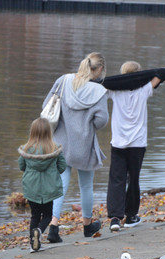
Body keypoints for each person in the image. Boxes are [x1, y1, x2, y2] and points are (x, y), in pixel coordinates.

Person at [43, 52, 109, 242]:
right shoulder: (99, 91)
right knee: (86, 186)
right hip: (84, 144)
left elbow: (47, 105)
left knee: (60, 184)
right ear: (100, 69)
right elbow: (102, 120)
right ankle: (87, 226)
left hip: (60, 142)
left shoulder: (63, 81)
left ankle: (53, 227)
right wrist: (87, 125)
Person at [106, 61, 164, 231]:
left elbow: (97, 86)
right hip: (138, 143)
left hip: (118, 142)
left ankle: (115, 218)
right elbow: (163, 73)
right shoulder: (144, 90)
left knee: (117, 180)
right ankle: (131, 215)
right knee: (133, 179)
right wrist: (144, 77)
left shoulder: (114, 90)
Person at [18, 117, 66, 252]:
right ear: (49, 132)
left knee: (34, 215)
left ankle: (33, 243)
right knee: (47, 215)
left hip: (32, 187)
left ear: (32, 132)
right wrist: (53, 174)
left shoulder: (26, 149)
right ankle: (39, 231)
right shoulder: (54, 149)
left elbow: (21, 165)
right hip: (49, 188)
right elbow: (62, 166)